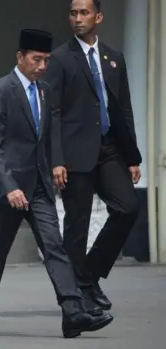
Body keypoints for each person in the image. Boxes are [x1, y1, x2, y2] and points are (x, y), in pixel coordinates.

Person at [0, 28, 115, 339]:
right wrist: (9, 186)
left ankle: (73, 311)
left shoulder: (46, 90)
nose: (41, 66)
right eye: (36, 59)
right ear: (20, 57)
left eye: (46, 60)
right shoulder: (1, 89)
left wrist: (55, 165)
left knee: (55, 246)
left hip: (38, 184)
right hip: (9, 186)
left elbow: (48, 135)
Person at [45, 0, 141, 312]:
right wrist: (56, 159)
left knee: (128, 207)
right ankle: (80, 295)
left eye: (84, 13)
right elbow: (53, 112)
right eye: (73, 13)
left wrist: (132, 156)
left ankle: (89, 274)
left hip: (110, 148)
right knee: (77, 224)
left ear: (98, 17)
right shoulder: (60, 58)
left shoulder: (113, 57)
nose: (77, 19)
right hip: (74, 152)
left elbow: (123, 108)